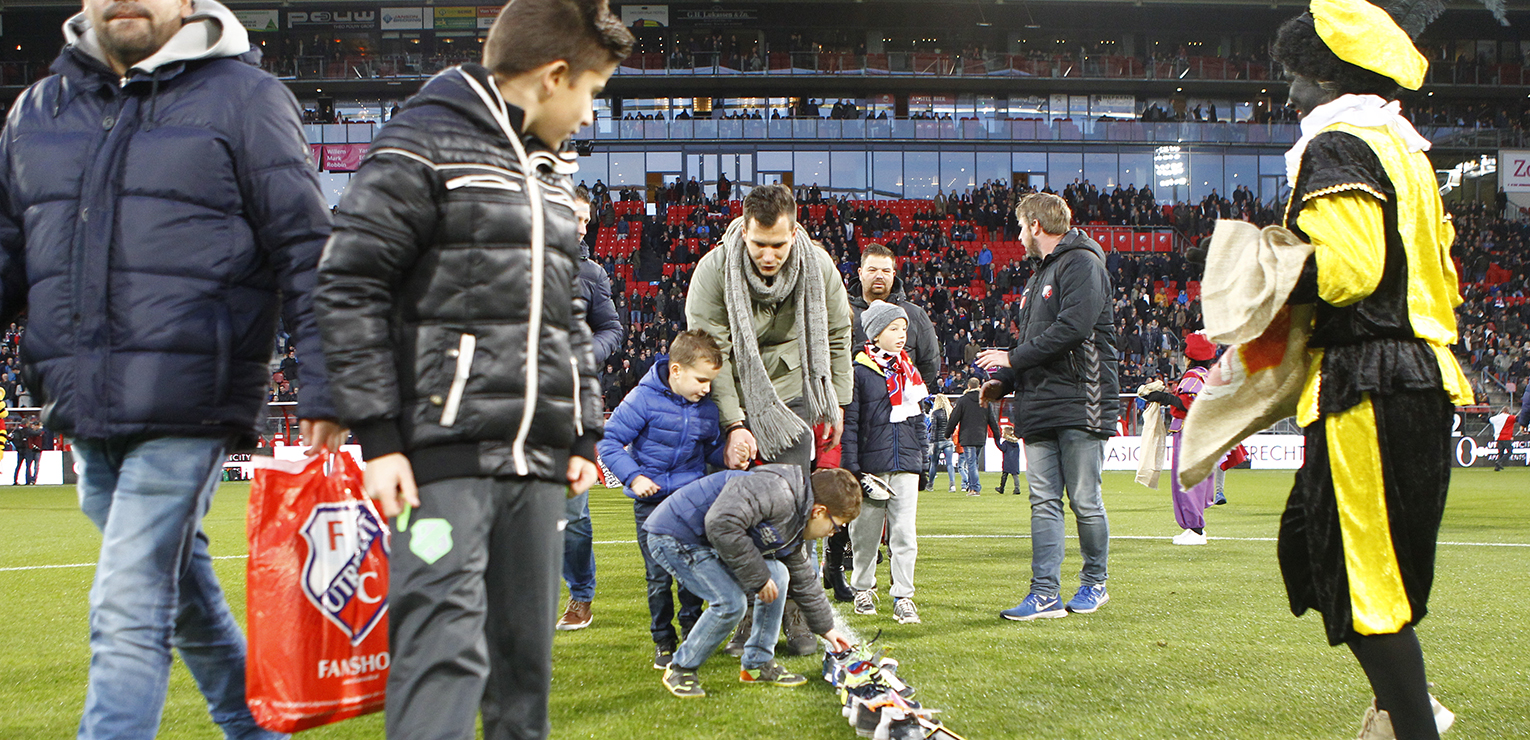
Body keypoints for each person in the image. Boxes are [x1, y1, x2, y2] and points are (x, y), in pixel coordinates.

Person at [0, 0, 342, 735]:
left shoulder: (246, 98)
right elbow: (8, 254)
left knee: (125, 605)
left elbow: (309, 249)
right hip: (80, 397)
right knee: (180, 586)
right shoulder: (36, 109)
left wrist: (325, 380)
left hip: (194, 398)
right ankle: (252, 728)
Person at [313, 0, 630, 736]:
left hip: (538, 465)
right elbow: (349, 280)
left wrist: (581, 431)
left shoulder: (554, 171)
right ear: (554, 77)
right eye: (591, 93)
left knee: (525, 668)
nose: (588, 115)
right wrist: (381, 436)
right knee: (442, 650)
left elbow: (566, 312)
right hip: (440, 463)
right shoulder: (423, 139)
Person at [1255, 3, 1482, 736]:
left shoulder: (1340, 145)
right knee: (1317, 548)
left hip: (1369, 380)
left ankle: (1412, 721)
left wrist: (1263, 274)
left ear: (1327, 74)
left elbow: (1349, 270)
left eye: (1295, 77)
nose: (1289, 96)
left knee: (1358, 574)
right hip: (1411, 374)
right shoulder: (1404, 152)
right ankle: (1405, 706)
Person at [684, 183, 853, 655]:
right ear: (742, 232)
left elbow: (838, 333)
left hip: (795, 395)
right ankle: (744, 613)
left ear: (795, 231)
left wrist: (835, 399)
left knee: (795, 511)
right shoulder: (712, 271)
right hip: (732, 391)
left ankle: (797, 614)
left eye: (779, 245)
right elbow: (707, 353)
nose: (769, 255)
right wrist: (735, 424)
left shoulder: (818, 265)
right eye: (759, 245)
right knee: (738, 516)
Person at [976, 191, 1119, 622]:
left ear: (1036, 225)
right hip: (1039, 403)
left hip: (1082, 397)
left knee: (1084, 499)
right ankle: (1045, 594)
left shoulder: (1083, 264)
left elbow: (1073, 329)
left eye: (1021, 226)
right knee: (1043, 502)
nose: (1018, 235)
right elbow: (1031, 344)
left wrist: (1011, 360)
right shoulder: (1039, 277)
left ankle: (1095, 583)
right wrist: (1004, 381)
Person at [643, 465, 859, 698]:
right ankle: (680, 668)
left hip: (705, 538)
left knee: (779, 573)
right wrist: (758, 578)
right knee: (730, 603)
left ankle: (757, 664)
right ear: (818, 511)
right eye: (836, 526)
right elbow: (721, 524)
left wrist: (827, 629)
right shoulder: (777, 492)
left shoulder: (796, 512)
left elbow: (804, 579)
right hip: (674, 535)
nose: (833, 533)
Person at [595, 330, 726, 670]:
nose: (706, 388)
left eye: (711, 381)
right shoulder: (642, 399)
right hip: (651, 506)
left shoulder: (707, 409)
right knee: (657, 577)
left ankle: (693, 634)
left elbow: (712, 448)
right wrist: (634, 477)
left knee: (693, 573)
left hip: (690, 503)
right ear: (676, 371)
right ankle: (663, 641)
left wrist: (732, 453)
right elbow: (608, 442)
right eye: (701, 379)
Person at [556, 184, 625, 632]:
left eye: (587, 219)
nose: (584, 227)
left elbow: (613, 330)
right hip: (514, 399)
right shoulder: (515, 259)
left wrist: (583, 355)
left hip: (569, 400)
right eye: (575, 217)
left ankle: (581, 596)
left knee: (574, 511)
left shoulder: (592, 273)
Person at [841, 302, 928, 624]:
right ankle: (863, 587)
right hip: (871, 467)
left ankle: (903, 596)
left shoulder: (910, 372)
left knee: (904, 533)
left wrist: (922, 459)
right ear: (875, 333)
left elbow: (919, 421)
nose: (901, 335)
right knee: (864, 534)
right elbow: (850, 423)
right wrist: (851, 467)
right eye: (894, 328)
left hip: (905, 463)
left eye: (903, 328)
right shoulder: (860, 372)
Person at [1141, 332, 1221, 544]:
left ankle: (1195, 528)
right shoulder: (1208, 374)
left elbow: (1189, 403)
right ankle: (1196, 527)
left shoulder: (1193, 375)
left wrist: (1164, 398)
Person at [946, 377, 1001, 495]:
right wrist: (997, 435)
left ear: (968, 386)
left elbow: (954, 418)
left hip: (967, 437)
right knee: (973, 463)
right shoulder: (985, 401)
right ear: (979, 386)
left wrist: (947, 433)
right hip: (980, 436)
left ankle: (975, 488)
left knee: (971, 463)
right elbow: (992, 420)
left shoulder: (963, 400)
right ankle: (972, 487)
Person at [925, 393, 958, 492]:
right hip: (948, 441)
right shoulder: (950, 412)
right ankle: (952, 485)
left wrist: (931, 442)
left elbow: (934, 429)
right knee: (949, 464)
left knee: (934, 463)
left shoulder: (935, 413)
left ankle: (930, 485)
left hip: (938, 441)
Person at [1488, 405, 1517, 471]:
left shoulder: (1495, 418)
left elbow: (1487, 420)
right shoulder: (1510, 417)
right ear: (1508, 411)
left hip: (1498, 438)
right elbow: (1519, 419)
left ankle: (1497, 467)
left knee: (1500, 452)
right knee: (1509, 451)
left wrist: (1481, 416)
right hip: (1506, 437)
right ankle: (1499, 462)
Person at [997, 425, 1023, 495]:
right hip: (1015, 461)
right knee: (1015, 475)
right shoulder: (1016, 444)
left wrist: (997, 441)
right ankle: (1017, 488)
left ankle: (1001, 488)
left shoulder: (1006, 443)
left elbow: (1002, 449)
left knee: (1004, 475)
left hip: (1007, 461)